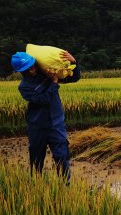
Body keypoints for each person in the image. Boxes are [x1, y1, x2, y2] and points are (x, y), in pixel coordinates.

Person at [11, 50, 81, 184]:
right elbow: (44, 99)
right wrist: (54, 83)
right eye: (27, 69)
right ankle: (37, 186)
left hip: (56, 123)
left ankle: (65, 186)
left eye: (32, 66)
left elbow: (74, 77)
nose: (32, 70)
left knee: (62, 155)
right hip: (37, 126)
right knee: (36, 159)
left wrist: (74, 62)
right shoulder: (24, 87)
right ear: (21, 71)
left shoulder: (47, 73)